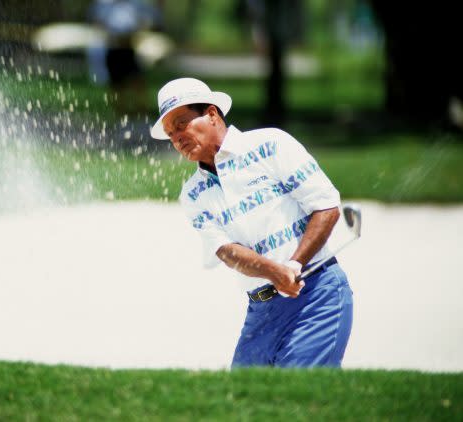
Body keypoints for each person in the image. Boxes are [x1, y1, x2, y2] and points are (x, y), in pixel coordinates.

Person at [150, 77, 353, 368]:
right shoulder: (192, 193)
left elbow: (326, 207)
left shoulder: (271, 145)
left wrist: (293, 266)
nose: (177, 138)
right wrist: (275, 273)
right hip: (261, 310)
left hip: (316, 295)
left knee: (297, 403)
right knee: (245, 404)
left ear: (211, 114)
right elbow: (226, 251)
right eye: (171, 134)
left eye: (181, 124)